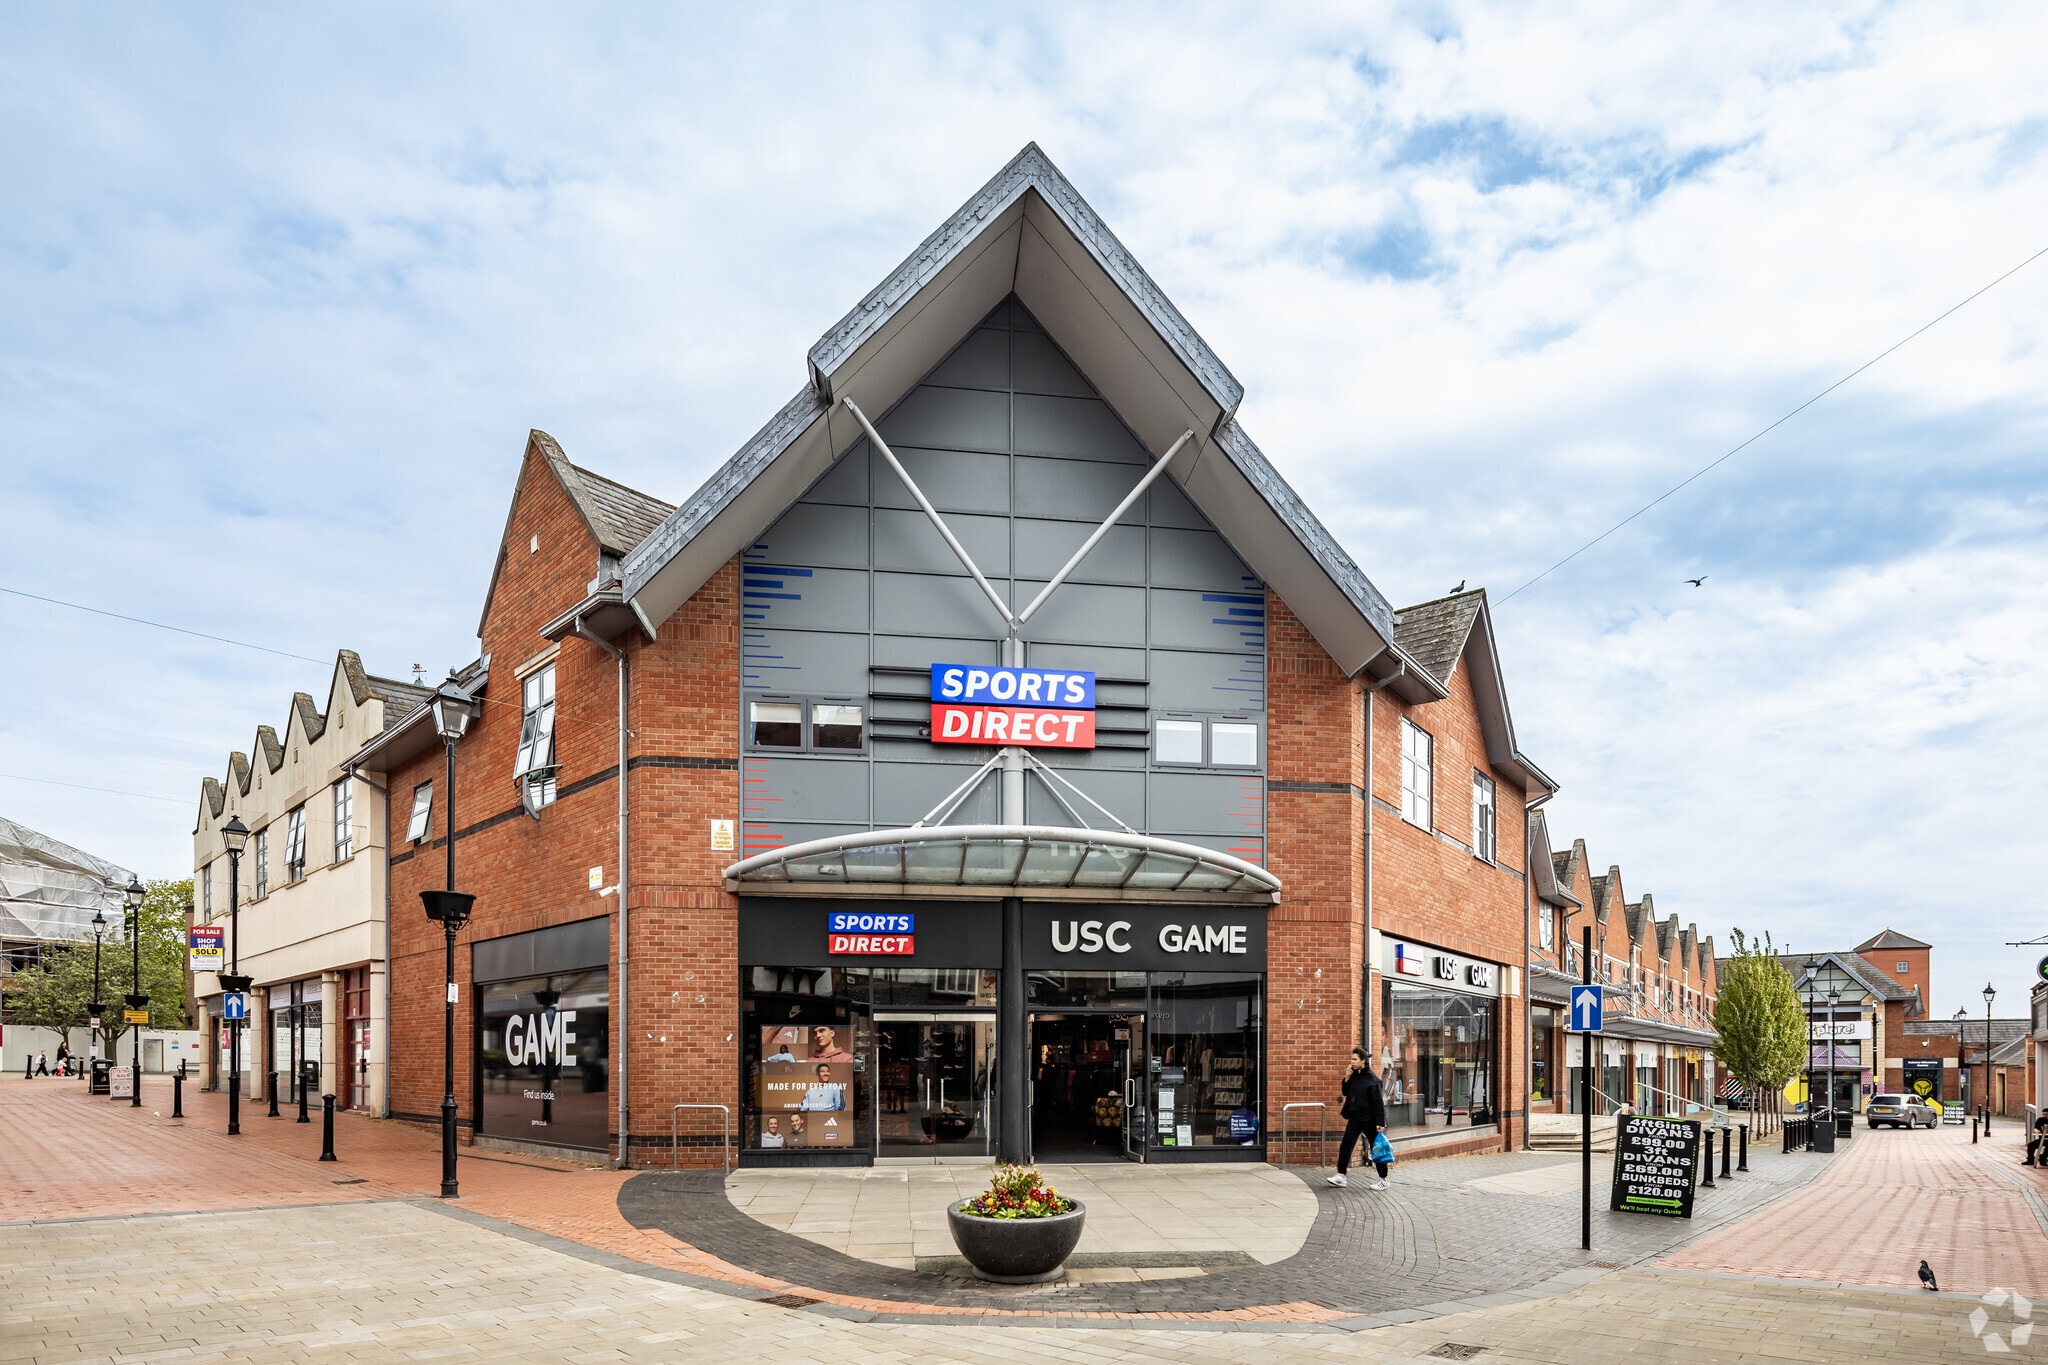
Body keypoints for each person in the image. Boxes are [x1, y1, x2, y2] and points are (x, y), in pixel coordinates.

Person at [1329, 1046, 1389, 1189]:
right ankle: (1341, 1176)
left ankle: (1384, 1179)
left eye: (1355, 1059)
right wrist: (1347, 1076)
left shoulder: (1373, 1080)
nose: (1352, 1062)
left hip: (1370, 1119)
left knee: (1377, 1148)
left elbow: (1378, 1103)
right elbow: (1345, 1092)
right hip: (1355, 1117)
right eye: (1352, 1059)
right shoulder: (1355, 1075)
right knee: (1346, 1144)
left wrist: (1380, 1122)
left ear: (1363, 1060)